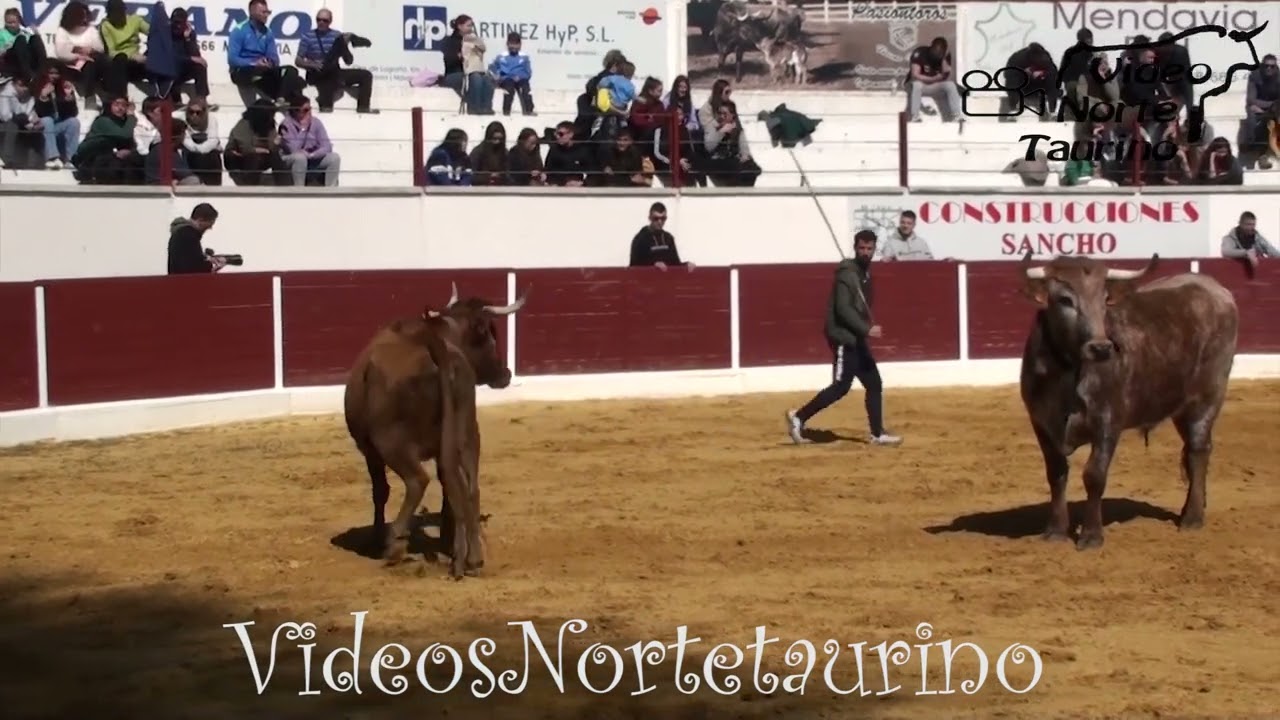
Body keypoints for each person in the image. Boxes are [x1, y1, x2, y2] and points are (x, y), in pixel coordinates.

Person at [785, 230, 903, 447]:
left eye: (869, 249)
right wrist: (866, 329)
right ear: (855, 247)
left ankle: (877, 433)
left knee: (874, 383)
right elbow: (843, 309)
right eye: (862, 248)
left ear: (875, 249)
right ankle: (798, 417)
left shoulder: (862, 273)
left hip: (857, 338)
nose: (866, 253)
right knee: (840, 387)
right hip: (845, 337)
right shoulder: (847, 274)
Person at [294, 7, 377, 114]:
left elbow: (348, 61)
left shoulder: (335, 35)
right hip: (316, 73)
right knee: (340, 42)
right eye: (318, 20)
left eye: (325, 21)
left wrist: (344, 47)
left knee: (366, 75)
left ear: (330, 22)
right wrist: (313, 64)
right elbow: (298, 60)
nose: (321, 23)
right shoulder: (308, 37)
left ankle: (363, 107)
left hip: (333, 71)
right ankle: (352, 38)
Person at [629, 202, 694, 269]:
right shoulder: (640, 239)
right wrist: (653, 265)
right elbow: (634, 266)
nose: (660, 222)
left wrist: (686, 265)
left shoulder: (668, 238)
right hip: (648, 278)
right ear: (650, 218)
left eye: (663, 218)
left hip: (667, 278)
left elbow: (675, 264)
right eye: (656, 218)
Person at [167, 202, 224, 274]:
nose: (210, 228)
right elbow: (195, 267)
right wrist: (211, 264)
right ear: (200, 220)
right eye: (209, 225)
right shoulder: (189, 235)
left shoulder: (180, 233)